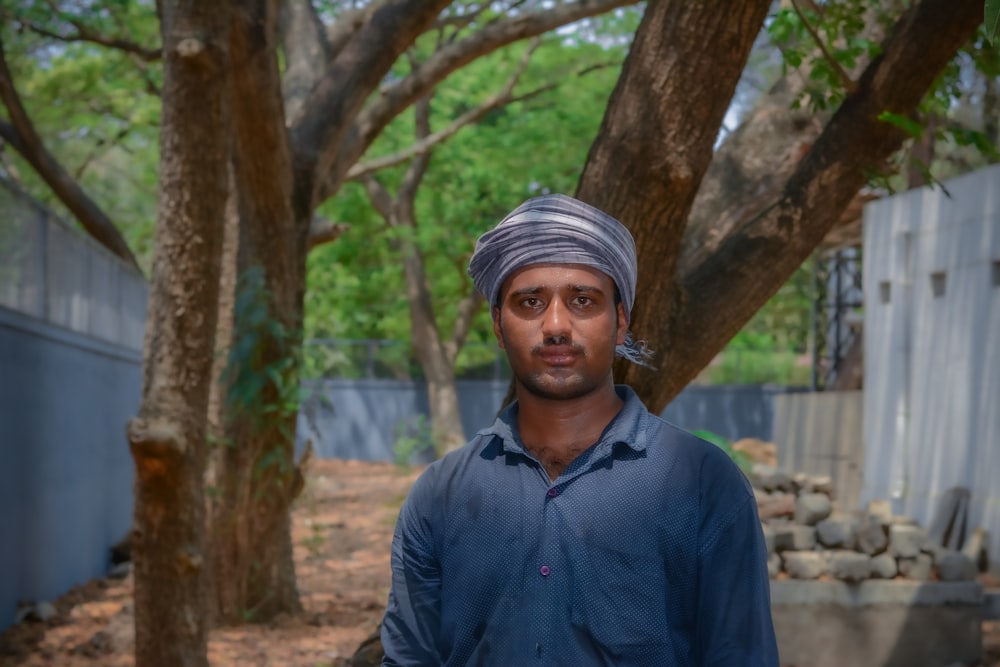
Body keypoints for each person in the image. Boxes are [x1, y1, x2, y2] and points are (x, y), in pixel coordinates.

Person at [380, 194, 779, 666]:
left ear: (620, 321)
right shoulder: (440, 495)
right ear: (498, 325)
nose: (555, 325)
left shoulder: (704, 484)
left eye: (582, 300)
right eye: (530, 302)